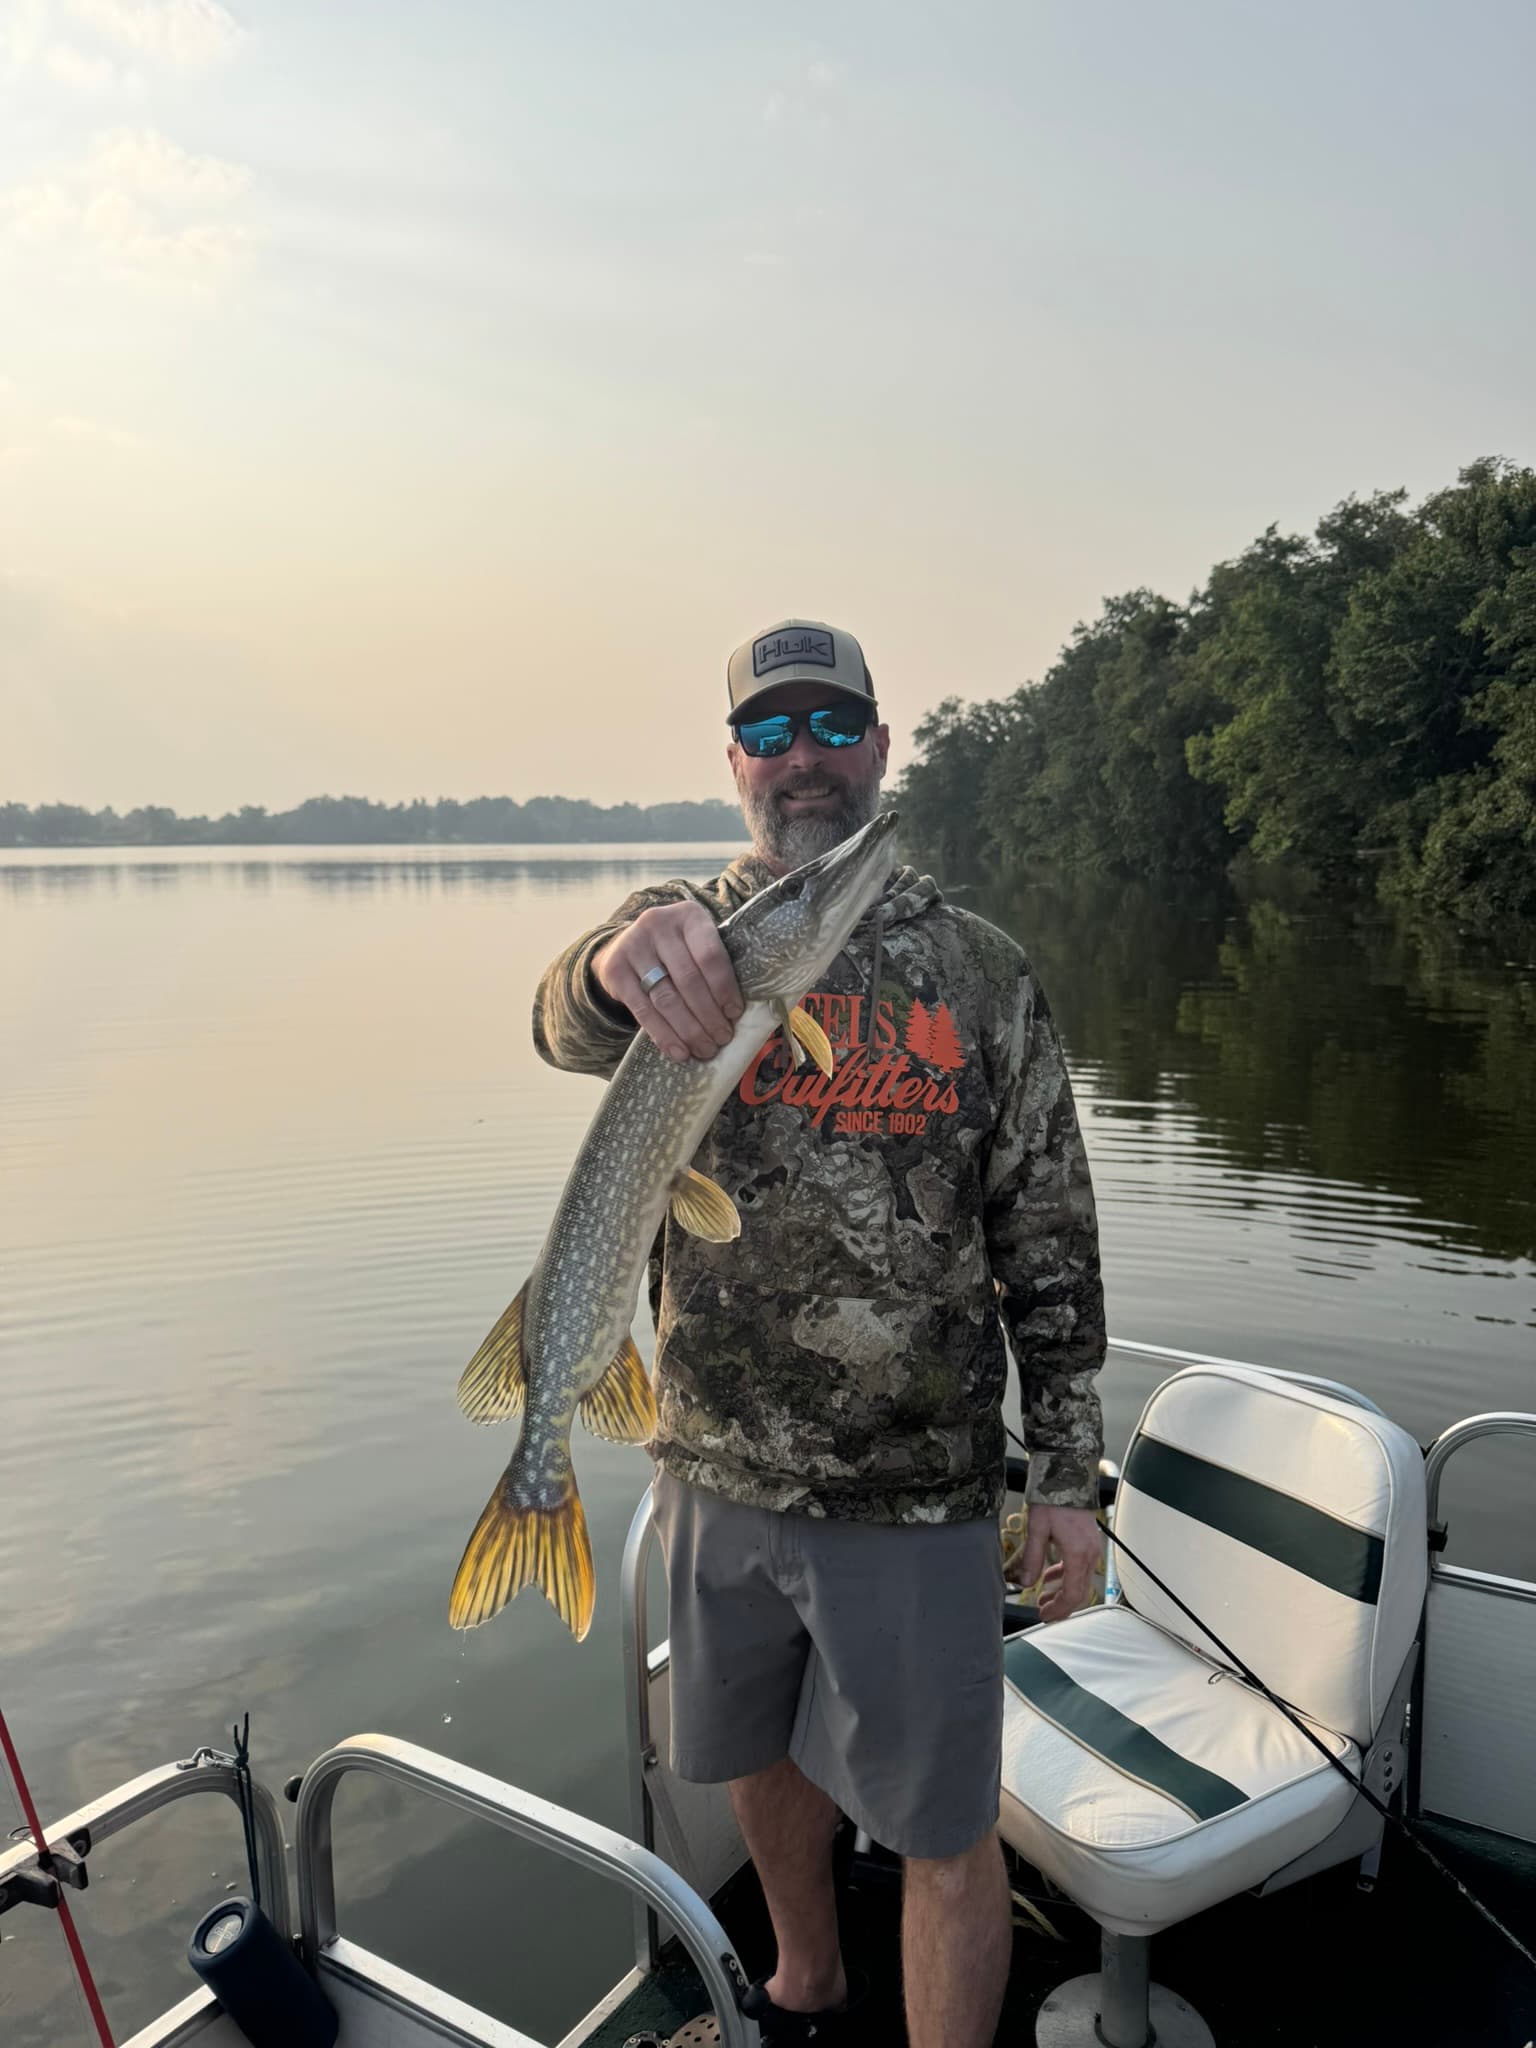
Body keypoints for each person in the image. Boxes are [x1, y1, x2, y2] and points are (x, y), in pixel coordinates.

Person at [533, 619, 1106, 2048]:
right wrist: (610, 964)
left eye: (834, 730)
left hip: (914, 1493)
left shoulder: (980, 974)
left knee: (942, 1827)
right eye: (773, 734)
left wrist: (1069, 1475)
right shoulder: (682, 948)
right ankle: (804, 1982)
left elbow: (1049, 1235)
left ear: (880, 747)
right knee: (748, 1762)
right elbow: (558, 1020)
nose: (805, 763)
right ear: (734, 760)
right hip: (717, 1470)